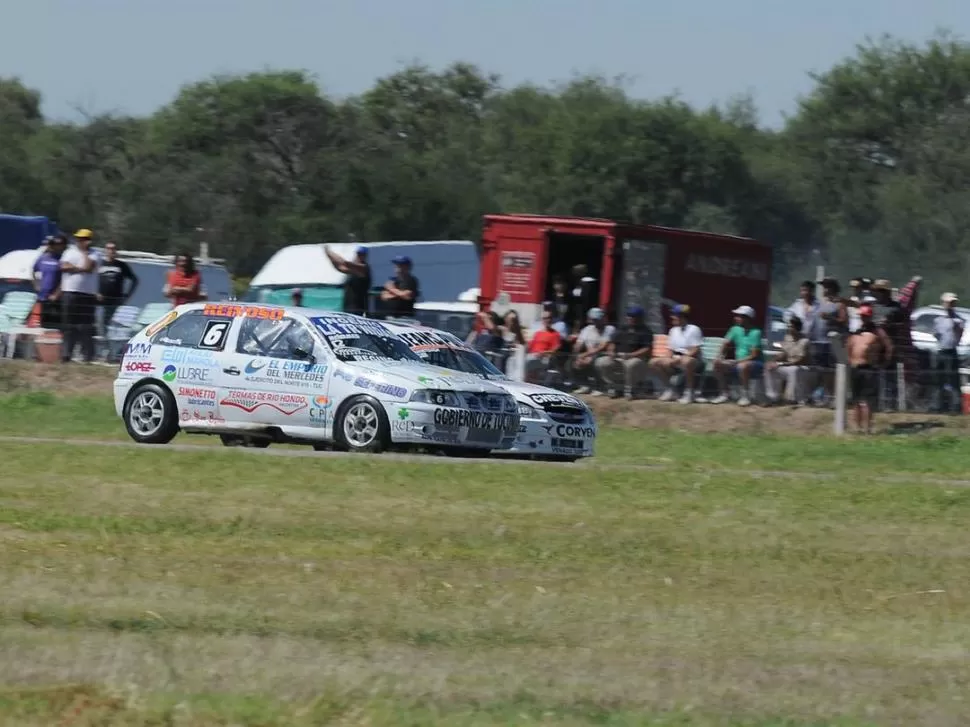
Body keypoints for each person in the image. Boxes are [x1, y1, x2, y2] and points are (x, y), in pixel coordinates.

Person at [846, 305, 893, 434]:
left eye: (865, 316)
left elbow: (888, 347)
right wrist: (850, 360)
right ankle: (857, 427)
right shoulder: (857, 331)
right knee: (856, 400)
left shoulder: (877, 331)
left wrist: (883, 362)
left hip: (869, 368)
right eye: (862, 316)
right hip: (856, 368)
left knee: (867, 401)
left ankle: (867, 428)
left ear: (870, 316)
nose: (863, 318)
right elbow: (849, 347)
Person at [59, 228, 102, 363]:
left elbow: (89, 267)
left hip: (87, 294)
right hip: (70, 292)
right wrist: (79, 269)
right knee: (68, 325)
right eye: (78, 239)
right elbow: (63, 266)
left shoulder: (95, 254)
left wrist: (84, 253)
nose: (79, 241)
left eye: (83, 239)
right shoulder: (69, 252)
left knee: (85, 326)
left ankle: (87, 356)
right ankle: (66, 355)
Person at [650, 304, 704, 404]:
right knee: (653, 362)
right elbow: (670, 350)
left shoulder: (694, 329)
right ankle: (670, 390)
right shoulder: (673, 330)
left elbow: (695, 349)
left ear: (682, 317)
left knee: (686, 361)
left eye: (674, 315)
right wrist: (667, 359)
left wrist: (680, 359)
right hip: (676, 358)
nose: (672, 317)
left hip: (693, 359)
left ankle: (689, 392)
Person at [596, 305, 653, 400]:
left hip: (636, 358)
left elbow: (647, 349)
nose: (630, 318)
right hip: (618, 356)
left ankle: (630, 390)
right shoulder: (622, 328)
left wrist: (631, 355)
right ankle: (615, 387)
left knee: (631, 364)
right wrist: (611, 351)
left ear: (640, 318)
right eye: (629, 315)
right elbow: (612, 342)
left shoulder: (645, 331)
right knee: (601, 362)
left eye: (633, 316)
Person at [712, 305, 763, 406]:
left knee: (742, 366)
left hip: (756, 364)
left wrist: (737, 362)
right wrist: (720, 357)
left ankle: (745, 396)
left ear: (747, 318)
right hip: (739, 362)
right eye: (737, 316)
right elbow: (725, 344)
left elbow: (754, 355)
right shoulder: (734, 329)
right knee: (717, 364)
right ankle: (724, 394)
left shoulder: (756, 332)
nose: (736, 318)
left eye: (739, 316)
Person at [764, 314, 811, 405]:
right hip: (788, 365)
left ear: (797, 327)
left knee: (794, 370)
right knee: (769, 367)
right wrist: (773, 361)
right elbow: (784, 353)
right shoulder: (787, 338)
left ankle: (791, 399)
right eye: (788, 326)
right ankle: (773, 397)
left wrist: (782, 364)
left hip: (802, 367)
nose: (789, 328)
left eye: (791, 326)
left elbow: (801, 360)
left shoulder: (805, 341)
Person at [97, 240, 139, 339]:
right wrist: (97, 292)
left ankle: (109, 346)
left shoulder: (122, 265)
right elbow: (94, 280)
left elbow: (135, 280)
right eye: (108, 248)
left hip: (115, 300)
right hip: (101, 300)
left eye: (113, 249)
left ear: (116, 251)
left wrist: (127, 295)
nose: (111, 251)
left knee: (111, 324)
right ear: (105, 250)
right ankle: (103, 343)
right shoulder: (100, 264)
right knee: (100, 322)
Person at [570, 307, 615, 396]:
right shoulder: (587, 329)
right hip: (588, 354)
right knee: (572, 361)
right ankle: (584, 385)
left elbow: (602, 346)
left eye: (598, 319)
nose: (596, 321)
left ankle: (600, 387)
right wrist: (577, 354)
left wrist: (585, 355)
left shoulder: (610, 329)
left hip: (602, 354)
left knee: (595, 361)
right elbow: (579, 344)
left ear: (603, 318)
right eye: (594, 319)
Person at [934, 292, 964, 413]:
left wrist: (956, 330)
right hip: (941, 350)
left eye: (953, 303)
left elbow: (958, 336)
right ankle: (938, 406)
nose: (951, 305)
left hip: (951, 351)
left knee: (954, 380)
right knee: (939, 379)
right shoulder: (938, 320)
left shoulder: (958, 320)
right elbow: (936, 334)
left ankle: (955, 407)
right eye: (949, 303)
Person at [324, 245, 371, 316]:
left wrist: (329, 252)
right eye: (358, 254)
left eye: (361, 254)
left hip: (358, 308)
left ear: (365, 256)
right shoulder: (354, 271)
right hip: (348, 306)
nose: (358, 256)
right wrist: (329, 257)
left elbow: (344, 263)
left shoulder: (364, 268)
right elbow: (339, 267)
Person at [32, 235, 66, 330]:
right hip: (42, 297)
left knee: (56, 326)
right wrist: (36, 284)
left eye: (53, 244)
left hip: (56, 298)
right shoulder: (42, 258)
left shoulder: (61, 259)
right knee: (43, 325)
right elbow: (33, 271)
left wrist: (57, 294)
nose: (50, 246)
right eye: (49, 244)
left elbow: (65, 279)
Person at [525, 310, 563, 382]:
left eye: (549, 318)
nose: (547, 320)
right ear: (542, 320)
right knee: (516, 359)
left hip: (543, 358)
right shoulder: (538, 333)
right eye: (545, 318)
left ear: (552, 319)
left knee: (526, 361)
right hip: (532, 356)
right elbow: (529, 346)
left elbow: (555, 349)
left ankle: (523, 381)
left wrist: (543, 353)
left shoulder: (555, 334)